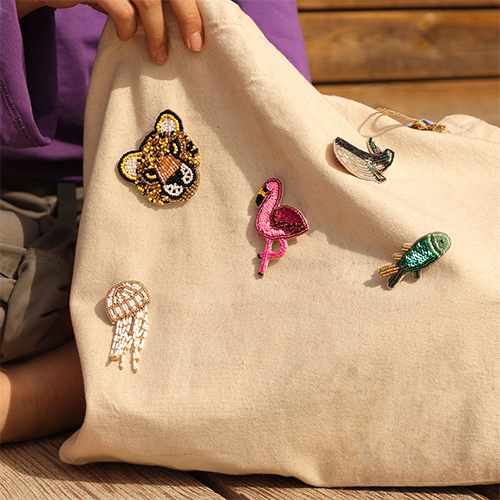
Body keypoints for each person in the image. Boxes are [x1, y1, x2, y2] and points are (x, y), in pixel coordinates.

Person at [0, 0, 310, 442]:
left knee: (262, 287)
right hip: (14, 204)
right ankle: (106, 372)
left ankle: (44, 393)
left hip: (183, 216)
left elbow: (280, 106)